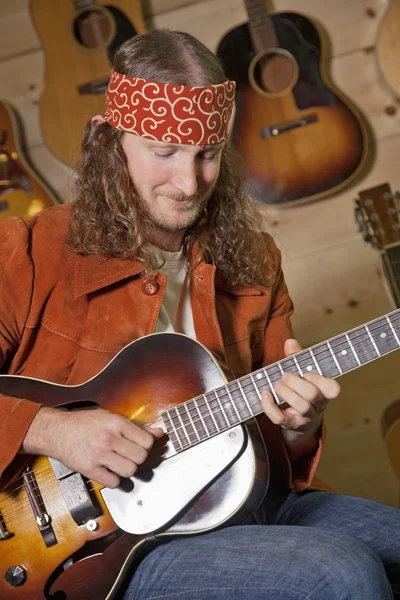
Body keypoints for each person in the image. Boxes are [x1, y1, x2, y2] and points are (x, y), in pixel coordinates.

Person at [0, 29, 399, 600]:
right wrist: (52, 427)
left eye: (207, 156)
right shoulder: (25, 253)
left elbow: (278, 443)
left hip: (250, 500)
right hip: (109, 547)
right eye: (164, 154)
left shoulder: (256, 262)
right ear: (111, 145)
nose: (189, 183)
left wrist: (297, 427)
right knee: (337, 572)